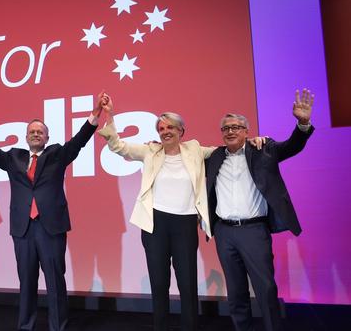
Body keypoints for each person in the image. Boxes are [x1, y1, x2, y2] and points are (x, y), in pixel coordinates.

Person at [0, 93, 104, 331]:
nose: (36, 134)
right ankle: (25, 326)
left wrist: (95, 115)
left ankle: (58, 327)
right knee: (26, 282)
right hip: (23, 229)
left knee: (55, 282)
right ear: (26, 137)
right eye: (32, 131)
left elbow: (79, 141)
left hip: (51, 227)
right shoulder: (14, 157)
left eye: (40, 131)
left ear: (47, 137)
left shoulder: (57, 154)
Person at [98, 94, 215, 331]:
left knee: (187, 283)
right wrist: (109, 114)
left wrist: (252, 141)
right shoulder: (150, 151)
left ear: (181, 130)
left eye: (170, 127)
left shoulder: (195, 150)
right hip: (155, 224)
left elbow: (224, 151)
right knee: (159, 283)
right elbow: (118, 146)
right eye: (161, 128)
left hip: (185, 224)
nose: (165, 131)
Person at [206, 89, 314, 331]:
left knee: (265, 289)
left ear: (246, 131)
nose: (230, 131)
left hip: (254, 231)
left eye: (235, 127)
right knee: (235, 292)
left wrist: (303, 123)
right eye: (226, 128)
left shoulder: (264, 149)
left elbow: (293, 146)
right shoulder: (213, 157)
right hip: (224, 233)